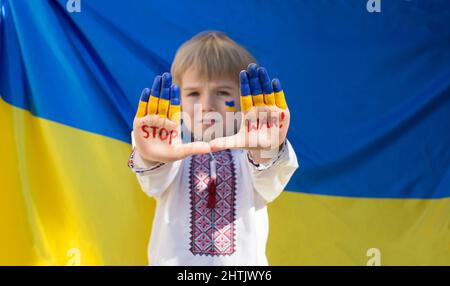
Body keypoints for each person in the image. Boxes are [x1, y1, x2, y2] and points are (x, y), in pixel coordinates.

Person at [128, 31, 298, 265]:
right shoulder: (171, 152)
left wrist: (265, 150)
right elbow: (153, 183)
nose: (206, 105)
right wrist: (150, 158)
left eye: (222, 93)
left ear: (244, 100)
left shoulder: (250, 156)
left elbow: (271, 183)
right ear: (176, 97)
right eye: (193, 93)